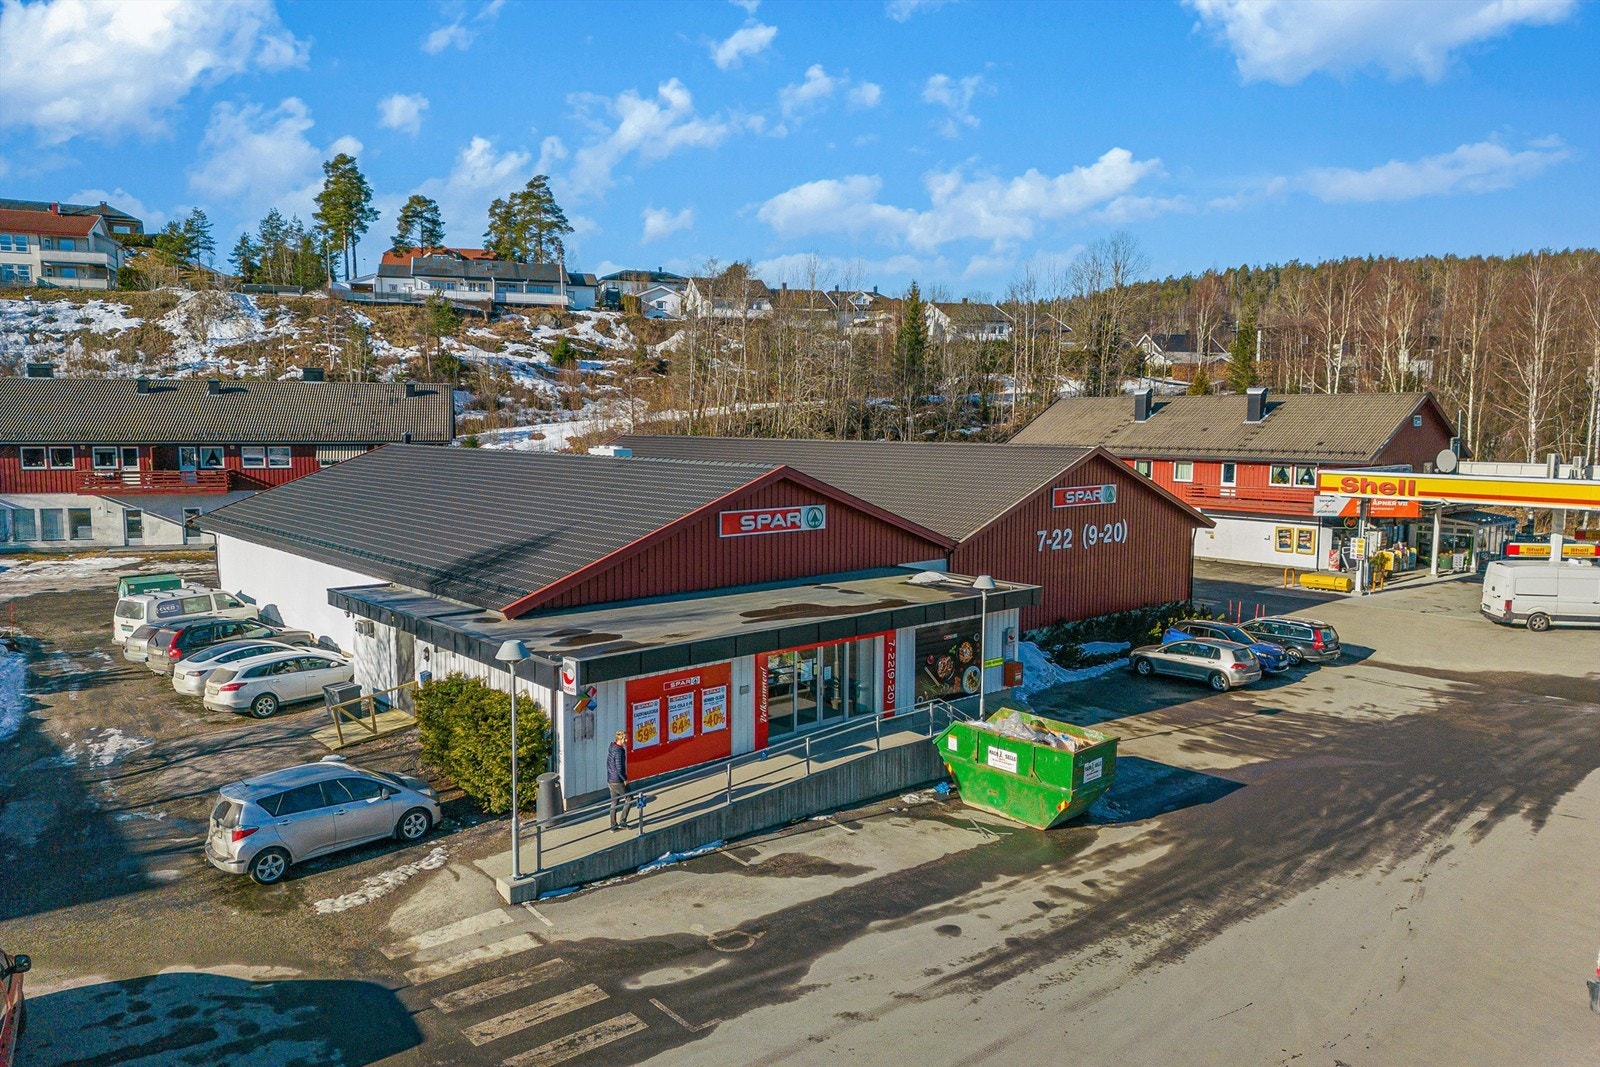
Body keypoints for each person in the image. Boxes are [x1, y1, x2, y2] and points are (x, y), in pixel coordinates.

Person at [607, 731, 629, 831]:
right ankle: (622, 822)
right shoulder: (619, 751)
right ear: (620, 739)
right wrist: (625, 779)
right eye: (625, 739)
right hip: (618, 780)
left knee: (614, 802)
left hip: (611, 779)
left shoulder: (612, 748)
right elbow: (619, 768)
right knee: (629, 798)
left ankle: (613, 825)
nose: (626, 741)